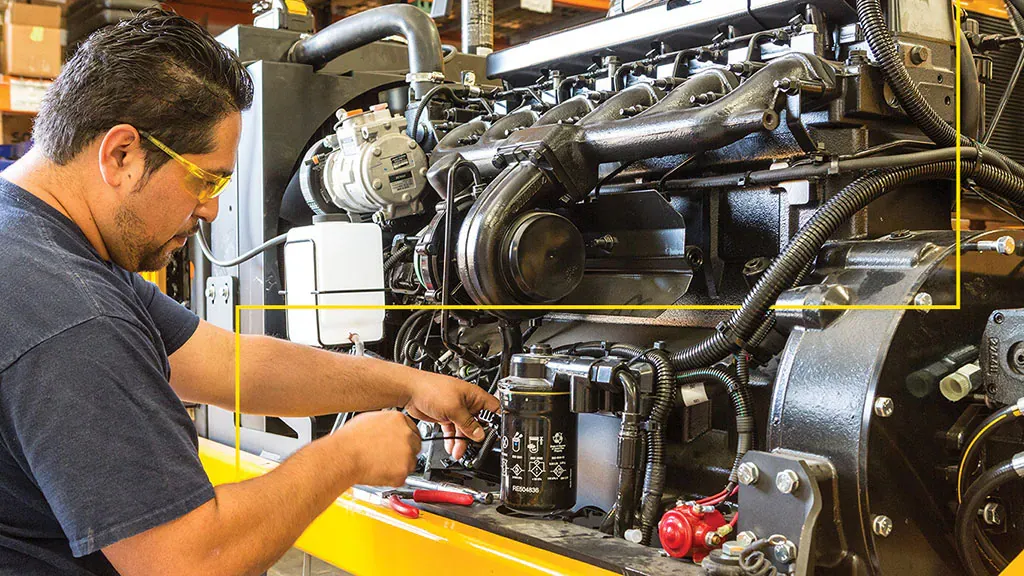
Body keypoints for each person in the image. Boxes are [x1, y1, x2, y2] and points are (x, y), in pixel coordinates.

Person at [0, 8, 497, 575]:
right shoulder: (71, 313)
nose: (211, 209)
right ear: (122, 155)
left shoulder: (39, 242)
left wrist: (407, 383)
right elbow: (189, 561)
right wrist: (347, 456)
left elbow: (231, 363)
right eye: (205, 179)